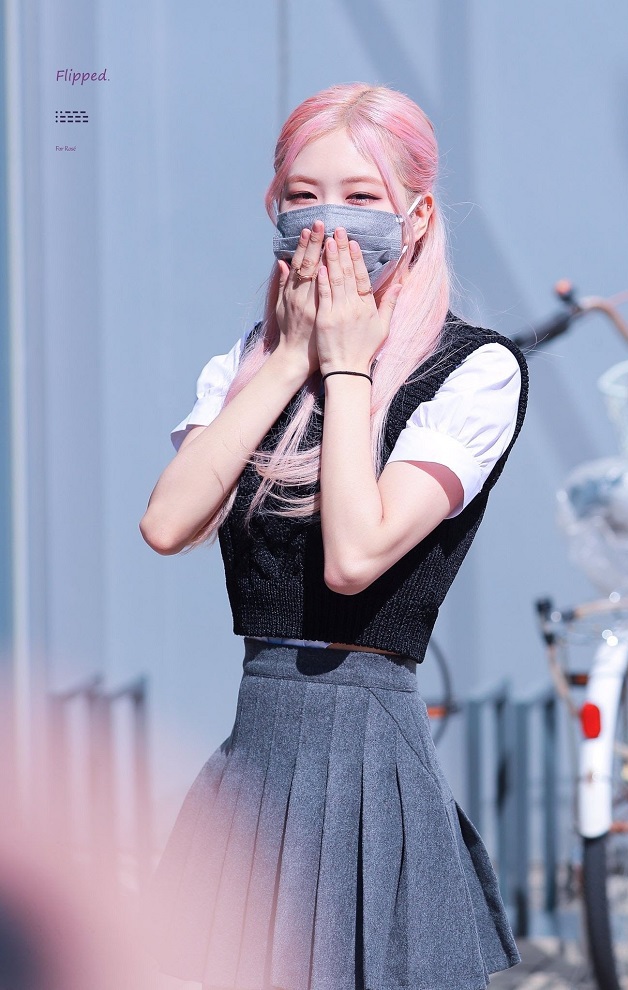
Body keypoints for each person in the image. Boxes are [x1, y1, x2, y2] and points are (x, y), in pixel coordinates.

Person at [140, 82, 528, 990]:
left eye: (361, 196)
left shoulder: (475, 371)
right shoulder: (246, 362)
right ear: (273, 208)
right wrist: (288, 361)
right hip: (257, 743)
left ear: (416, 217)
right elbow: (166, 522)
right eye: (304, 195)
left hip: (364, 747)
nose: (329, 220)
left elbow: (356, 556)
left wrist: (349, 368)